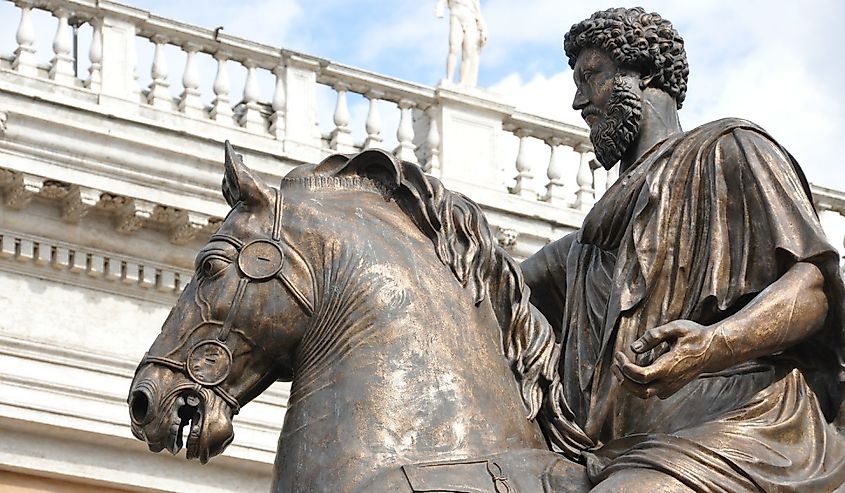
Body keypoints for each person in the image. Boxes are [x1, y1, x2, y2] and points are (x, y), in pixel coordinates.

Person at [523, 7, 845, 492]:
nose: (577, 101)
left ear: (646, 72)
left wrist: (713, 345)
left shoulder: (730, 150)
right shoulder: (587, 247)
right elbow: (492, 283)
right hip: (624, 442)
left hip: (744, 417)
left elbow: (813, 286)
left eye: (592, 77)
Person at [435, 0, 487, 86]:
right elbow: (442, 2)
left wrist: (484, 29)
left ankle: (462, 82)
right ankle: (449, 78)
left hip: (470, 19)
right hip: (456, 15)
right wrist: (440, 8)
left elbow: (478, 12)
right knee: (453, 47)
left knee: (468, 52)